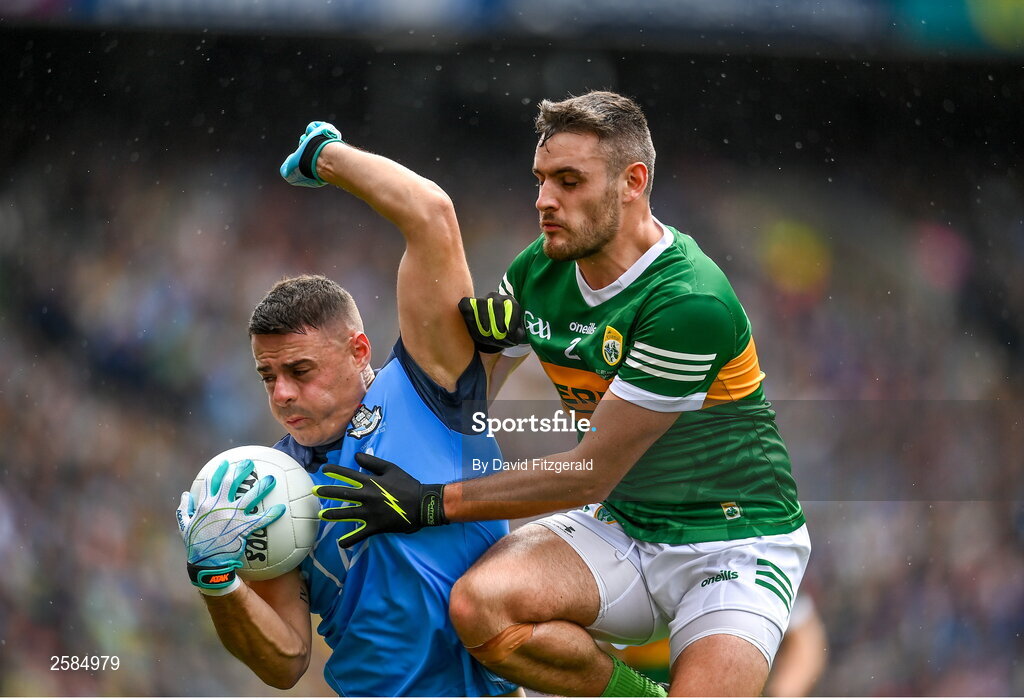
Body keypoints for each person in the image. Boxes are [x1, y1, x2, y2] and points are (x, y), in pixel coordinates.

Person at [322, 91, 811, 697]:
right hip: (625, 527)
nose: (544, 200)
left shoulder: (689, 302)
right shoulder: (542, 267)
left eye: (569, 181)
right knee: (477, 607)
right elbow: (458, 395)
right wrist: (439, 375)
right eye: (541, 179)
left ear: (633, 182)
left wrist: (430, 501)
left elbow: (590, 473)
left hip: (732, 543)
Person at [175, 120, 521, 696]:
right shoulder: (266, 486)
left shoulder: (428, 385)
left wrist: (326, 157)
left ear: (358, 349)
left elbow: (432, 215)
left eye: (300, 370)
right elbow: (285, 661)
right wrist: (219, 584)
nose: (282, 393)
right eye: (268, 375)